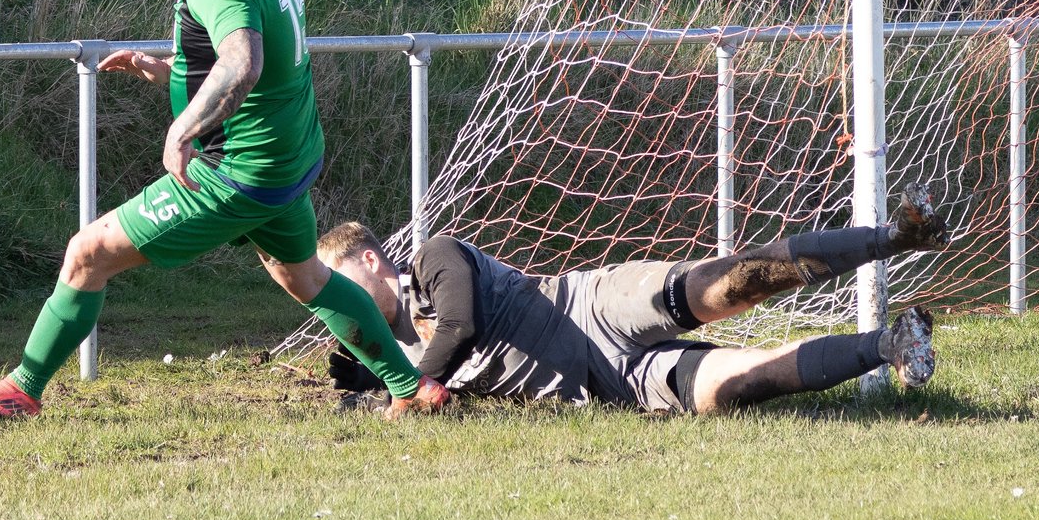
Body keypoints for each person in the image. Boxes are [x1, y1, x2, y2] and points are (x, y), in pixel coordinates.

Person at [0, 0, 443, 419]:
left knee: (86, 254)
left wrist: (180, 129)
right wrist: (170, 74)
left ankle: (22, 390)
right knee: (306, 276)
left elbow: (243, 63)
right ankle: (412, 388)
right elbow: (267, 60)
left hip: (235, 171)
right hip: (287, 157)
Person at [310, 193, 946, 413]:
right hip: (606, 383)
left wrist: (403, 388)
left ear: (372, 260)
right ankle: (888, 345)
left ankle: (899, 235)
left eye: (341, 283)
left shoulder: (434, 256)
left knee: (728, 285)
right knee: (739, 384)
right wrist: (373, 377)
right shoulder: (391, 352)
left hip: (592, 307)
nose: (338, 301)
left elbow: (462, 326)